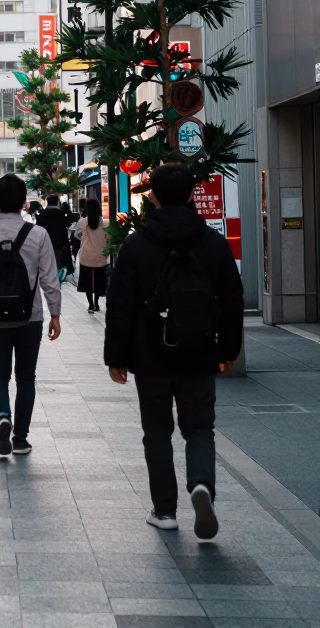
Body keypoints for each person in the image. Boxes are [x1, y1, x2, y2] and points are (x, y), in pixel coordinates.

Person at [105, 162, 243, 539]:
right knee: (199, 427)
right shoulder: (212, 242)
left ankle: (165, 510)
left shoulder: (136, 244)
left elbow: (120, 305)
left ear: (153, 197)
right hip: (200, 352)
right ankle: (201, 485)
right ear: (191, 195)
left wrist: (116, 357)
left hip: (150, 354)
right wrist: (228, 348)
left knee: (157, 431)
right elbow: (232, 298)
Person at [0, 174, 62, 457]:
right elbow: (49, 279)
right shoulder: (38, 234)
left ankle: (2, 415)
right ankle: (20, 438)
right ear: (24, 202)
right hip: (29, 317)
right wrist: (54, 314)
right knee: (26, 377)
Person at [75, 199, 109, 312]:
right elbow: (109, 238)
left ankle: (90, 304)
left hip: (86, 256)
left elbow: (78, 236)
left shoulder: (81, 222)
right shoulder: (105, 223)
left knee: (88, 281)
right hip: (101, 256)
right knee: (99, 280)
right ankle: (97, 303)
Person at [36, 194, 73, 279]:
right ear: (57, 202)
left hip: (45, 245)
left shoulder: (42, 215)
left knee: (47, 268)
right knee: (58, 265)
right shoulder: (61, 215)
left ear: (47, 202)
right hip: (59, 245)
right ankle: (57, 283)